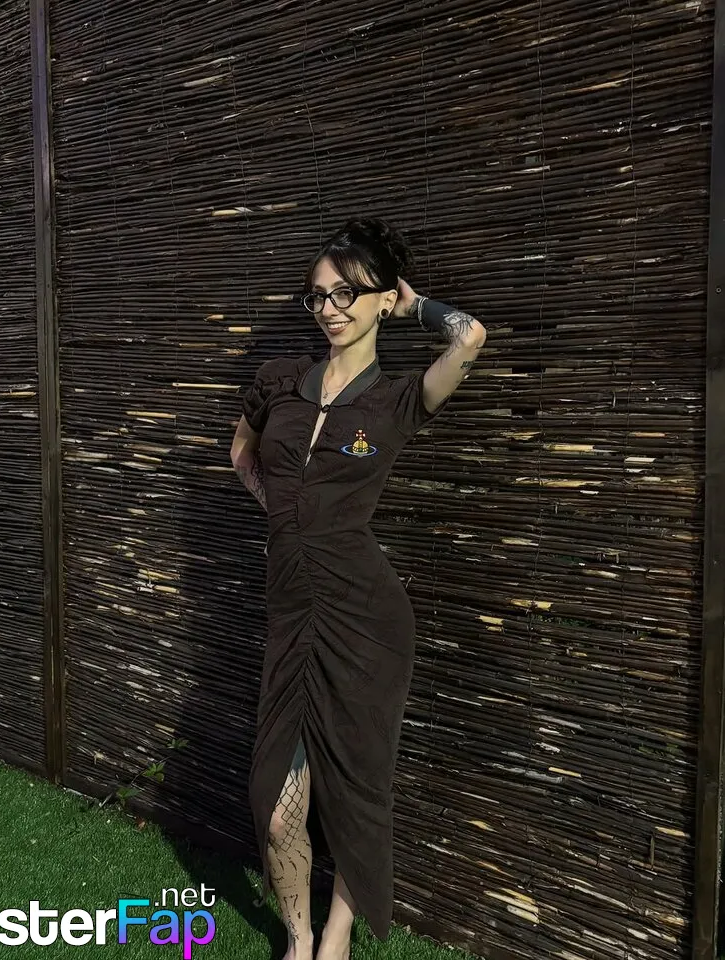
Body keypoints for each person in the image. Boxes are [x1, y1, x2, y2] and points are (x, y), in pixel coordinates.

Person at [230, 217, 486, 960]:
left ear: (381, 299)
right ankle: (298, 936)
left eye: (348, 292)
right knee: (276, 808)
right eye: (319, 295)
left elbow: (469, 338)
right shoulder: (281, 381)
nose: (331, 307)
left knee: (359, 787)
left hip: (367, 620)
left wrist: (417, 305)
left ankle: (334, 938)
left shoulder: (396, 400)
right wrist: (283, 511)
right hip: (292, 613)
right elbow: (241, 449)